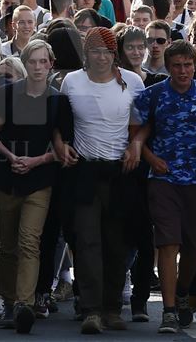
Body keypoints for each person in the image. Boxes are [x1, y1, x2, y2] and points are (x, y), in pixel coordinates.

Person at [0, 39, 68, 334]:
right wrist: (9, 155)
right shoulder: (5, 94)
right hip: (5, 177)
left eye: (43, 61)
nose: (37, 66)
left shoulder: (57, 99)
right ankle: (9, 302)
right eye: (32, 61)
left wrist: (35, 161)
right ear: (25, 62)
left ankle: (24, 303)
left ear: (50, 64)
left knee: (29, 241)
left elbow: (61, 144)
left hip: (40, 179)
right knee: (6, 245)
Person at [129, 40, 196, 333]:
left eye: (188, 65)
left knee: (194, 246)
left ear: (195, 65)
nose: (183, 71)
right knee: (168, 242)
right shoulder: (153, 95)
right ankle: (168, 309)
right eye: (177, 66)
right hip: (162, 179)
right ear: (168, 68)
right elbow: (136, 134)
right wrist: (150, 158)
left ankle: (183, 293)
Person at [59, 27, 145, 333]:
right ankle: (91, 309)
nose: (101, 57)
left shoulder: (132, 81)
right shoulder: (72, 81)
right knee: (87, 241)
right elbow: (58, 121)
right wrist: (60, 145)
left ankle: (112, 308)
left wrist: (136, 144)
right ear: (86, 53)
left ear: (115, 54)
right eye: (94, 51)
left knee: (117, 242)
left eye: (107, 51)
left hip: (119, 172)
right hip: (84, 171)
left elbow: (143, 122)